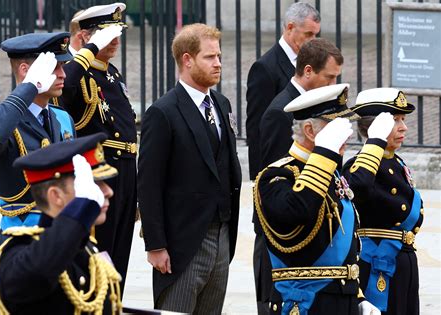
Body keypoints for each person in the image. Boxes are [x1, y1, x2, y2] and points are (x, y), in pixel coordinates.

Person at [138, 23, 242, 314]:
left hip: (221, 234)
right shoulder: (163, 112)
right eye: (210, 57)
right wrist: (156, 245)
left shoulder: (221, 104)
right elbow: (148, 183)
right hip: (183, 242)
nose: (218, 63)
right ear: (187, 60)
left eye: (219, 56)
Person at [254, 84, 381, 315]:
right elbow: (297, 211)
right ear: (311, 131)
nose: (348, 135)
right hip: (306, 304)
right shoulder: (276, 175)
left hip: (343, 300)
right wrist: (324, 153)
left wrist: (356, 295)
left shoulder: (331, 175)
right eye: (336, 127)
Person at [0, 133, 123, 314]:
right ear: (56, 196)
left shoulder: (85, 248)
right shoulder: (19, 252)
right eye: (93, 185)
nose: (108, 192)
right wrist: (82, 208)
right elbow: (36, 274)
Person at [245, 4, 320, 313]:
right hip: (278, 184)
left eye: (317, 35)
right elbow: (256, 136)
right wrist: (266, 192)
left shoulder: (311, 65)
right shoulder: (266, 68)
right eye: (308, 35)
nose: (313, 41)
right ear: (289, 29)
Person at [59, 2, 137, 293]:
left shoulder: (110, 72)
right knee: (99, 256)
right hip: (101, 174)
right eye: (107, 35)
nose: (116, 40)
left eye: (117, 33)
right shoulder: (77, 73)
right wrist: (88, 51)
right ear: (84, 38)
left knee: (118, 259)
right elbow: (65, 90)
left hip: (126, 173)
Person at [0, 32, 75, 238]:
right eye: (54, 68)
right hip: (22, 238)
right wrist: (30, 86)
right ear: (25, 71)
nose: (63, 74)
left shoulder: (62, 118)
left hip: (62, 235)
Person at [342, 88, 424, 314]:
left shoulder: (398, 163)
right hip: (378, 262)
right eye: (395, 120)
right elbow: (356, 188)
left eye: (403, 119)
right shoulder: (359, 167)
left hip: (403, 261)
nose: (403, 127)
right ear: (375, 125)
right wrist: (374, 145)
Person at [260, 37, 344, 170]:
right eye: (329, 77)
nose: (333, 84)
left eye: (336, 77)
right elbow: (276, 174)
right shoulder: (280, 113)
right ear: (308, 71)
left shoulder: (323, 102)